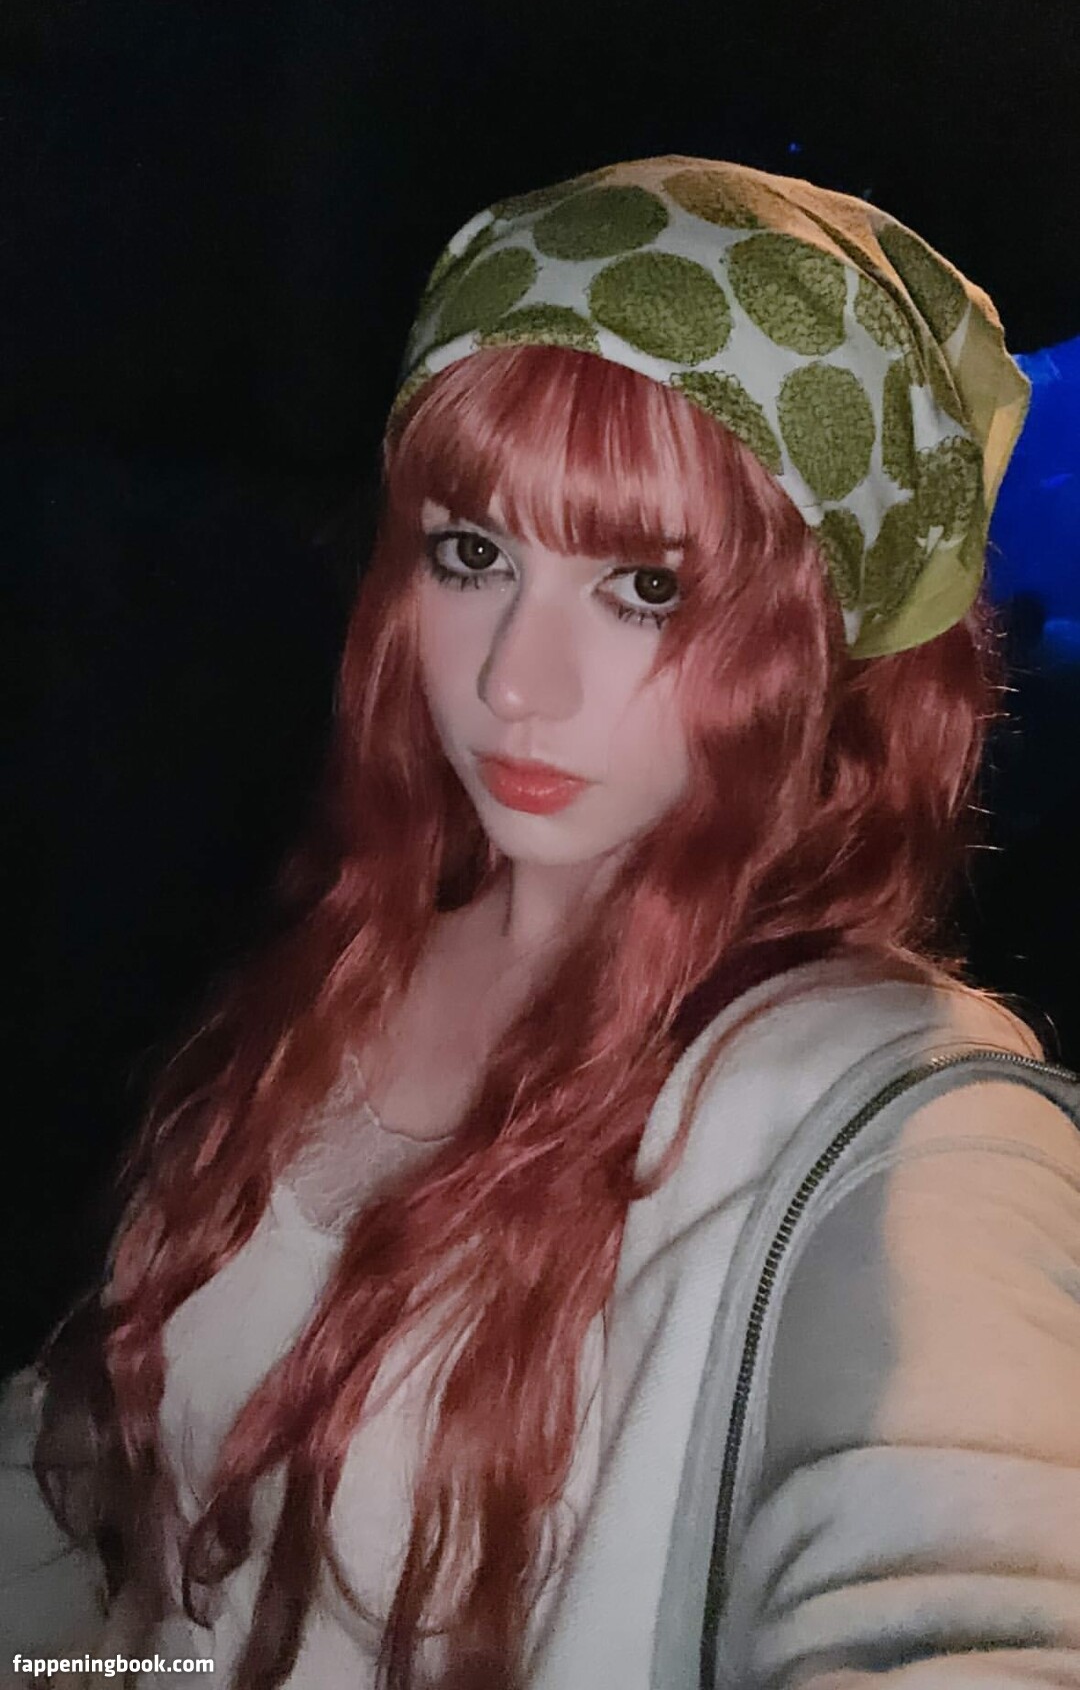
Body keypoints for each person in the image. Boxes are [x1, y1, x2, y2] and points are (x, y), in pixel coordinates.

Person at [2, 155, 1079, 1689]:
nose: (516, 680)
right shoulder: (353, 961)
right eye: (474, 554)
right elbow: (101, 1495)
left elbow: (972, 1605)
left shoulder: (905, 1130)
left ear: (831, 639)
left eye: (645, 587)